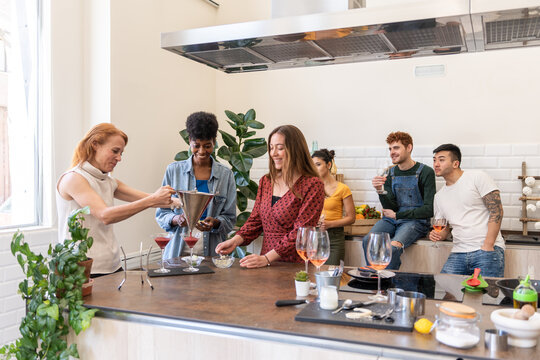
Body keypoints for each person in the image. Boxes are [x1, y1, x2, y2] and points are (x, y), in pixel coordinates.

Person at [57, 123, 176, 277]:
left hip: (112, 266)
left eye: (121, 153)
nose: (119, 158)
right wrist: (153, 199)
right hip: (83, 269)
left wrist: (181, 202)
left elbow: (154, 200)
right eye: (115, 151)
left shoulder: (108, 181)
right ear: (95, 145)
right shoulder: (74, 178)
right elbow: (105, 215)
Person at [215, 125, 325, 268]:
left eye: (280, 148)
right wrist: (234, 241)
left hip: (296, 265)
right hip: (266, 264)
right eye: (271, 148)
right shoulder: (266, 181)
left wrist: (267, 258)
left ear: (296, 150)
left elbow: (301, 232)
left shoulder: (312, 185)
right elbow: (255, 221)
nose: (274, 153)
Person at [156, 112, 236, 259]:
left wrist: (216, 222)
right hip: (177, 251)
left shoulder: (226, 175)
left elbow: (230, 219)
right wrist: (176, 219)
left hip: (211, 251)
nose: (202, 151)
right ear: (189, 141)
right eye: (196, 146)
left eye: (207, 146)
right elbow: (161, 213)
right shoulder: (173, 171)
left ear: (214, 142)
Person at [362, 131, 435, 270]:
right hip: (392, 219)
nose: (392, 152)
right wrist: (380, 190)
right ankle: (375, 278)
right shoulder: (390, 173)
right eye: (390, 149)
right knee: (368, 240)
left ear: (409, 148)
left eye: (396, 148)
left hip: (415, 222)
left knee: (393, 248)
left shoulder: (426, 172)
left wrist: (398, 215)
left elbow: (429, 209)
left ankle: (389, 285)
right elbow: (391, 207)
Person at [429, 144, 505, 277]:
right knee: (448, 293)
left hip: (486, 250)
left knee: (487, 296)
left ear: (455, 163)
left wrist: (488, 245)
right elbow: (445, 229)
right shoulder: (439, 196)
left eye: (441, 160)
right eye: (434, 160)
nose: (436, 164)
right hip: (458, 252)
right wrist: (438, 235)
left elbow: (496, 211)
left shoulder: (477, 177)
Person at [312, 149, 355, 265]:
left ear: (329, 164)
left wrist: (329, 224)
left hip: (334, 238)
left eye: (318, 164)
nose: (315, 168)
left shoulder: (343, 188)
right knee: (313, 276)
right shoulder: (311, 188)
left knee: (332, 275)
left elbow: (351, 218)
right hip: (314, 235)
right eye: (313, 165)